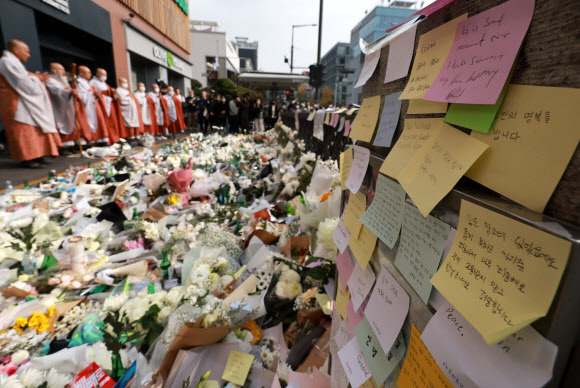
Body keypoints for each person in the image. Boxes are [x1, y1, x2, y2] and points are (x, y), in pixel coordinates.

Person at [0, 40, 62, 168]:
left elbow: (25, 79)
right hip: (16, 103)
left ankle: (38, 155)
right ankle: (27, 159)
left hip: (25, 101)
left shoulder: (14, 62)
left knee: (34, 130)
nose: (28, 55)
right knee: (23, 131)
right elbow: (22, 82)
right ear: (16, 50)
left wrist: (33, 77)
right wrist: (36, 79)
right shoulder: (6, 61)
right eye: (26, 52)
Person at [45, 62, 91, 154]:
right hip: (59, 107)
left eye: (63, 69)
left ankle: (72, 144)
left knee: (72, 122)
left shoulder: (64, 80)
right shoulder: (50, 80)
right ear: (53, 70)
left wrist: (72, 90)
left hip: (69, 106)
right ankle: (64, 146)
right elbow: (56, 91)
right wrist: (68, 92)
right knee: (62, 124)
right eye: (60, 69)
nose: (63, 72)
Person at [77, 66, 115, 144]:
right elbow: (80, 95)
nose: (90, 74)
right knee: (91, 123)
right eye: (88, 72)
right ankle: (91, 140)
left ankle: (99, 139)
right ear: (81, 73)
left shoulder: (87, 82)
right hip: (87, 106)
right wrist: (93, 93)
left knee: (99, 121)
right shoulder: (79, 82)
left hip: (95, 104)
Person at [90, 68, 122, 142]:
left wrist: (113, 93)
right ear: (97, 74)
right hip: (101, 105)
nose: (105, 76)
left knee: (111, 122)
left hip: (108, 104)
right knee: (103, 122)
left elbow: (110, 92)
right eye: (103, 74)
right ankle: (102, 140)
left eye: (105, 75)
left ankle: (112, 138)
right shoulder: (93, 82)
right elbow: (95, 93)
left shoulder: (105, 84)